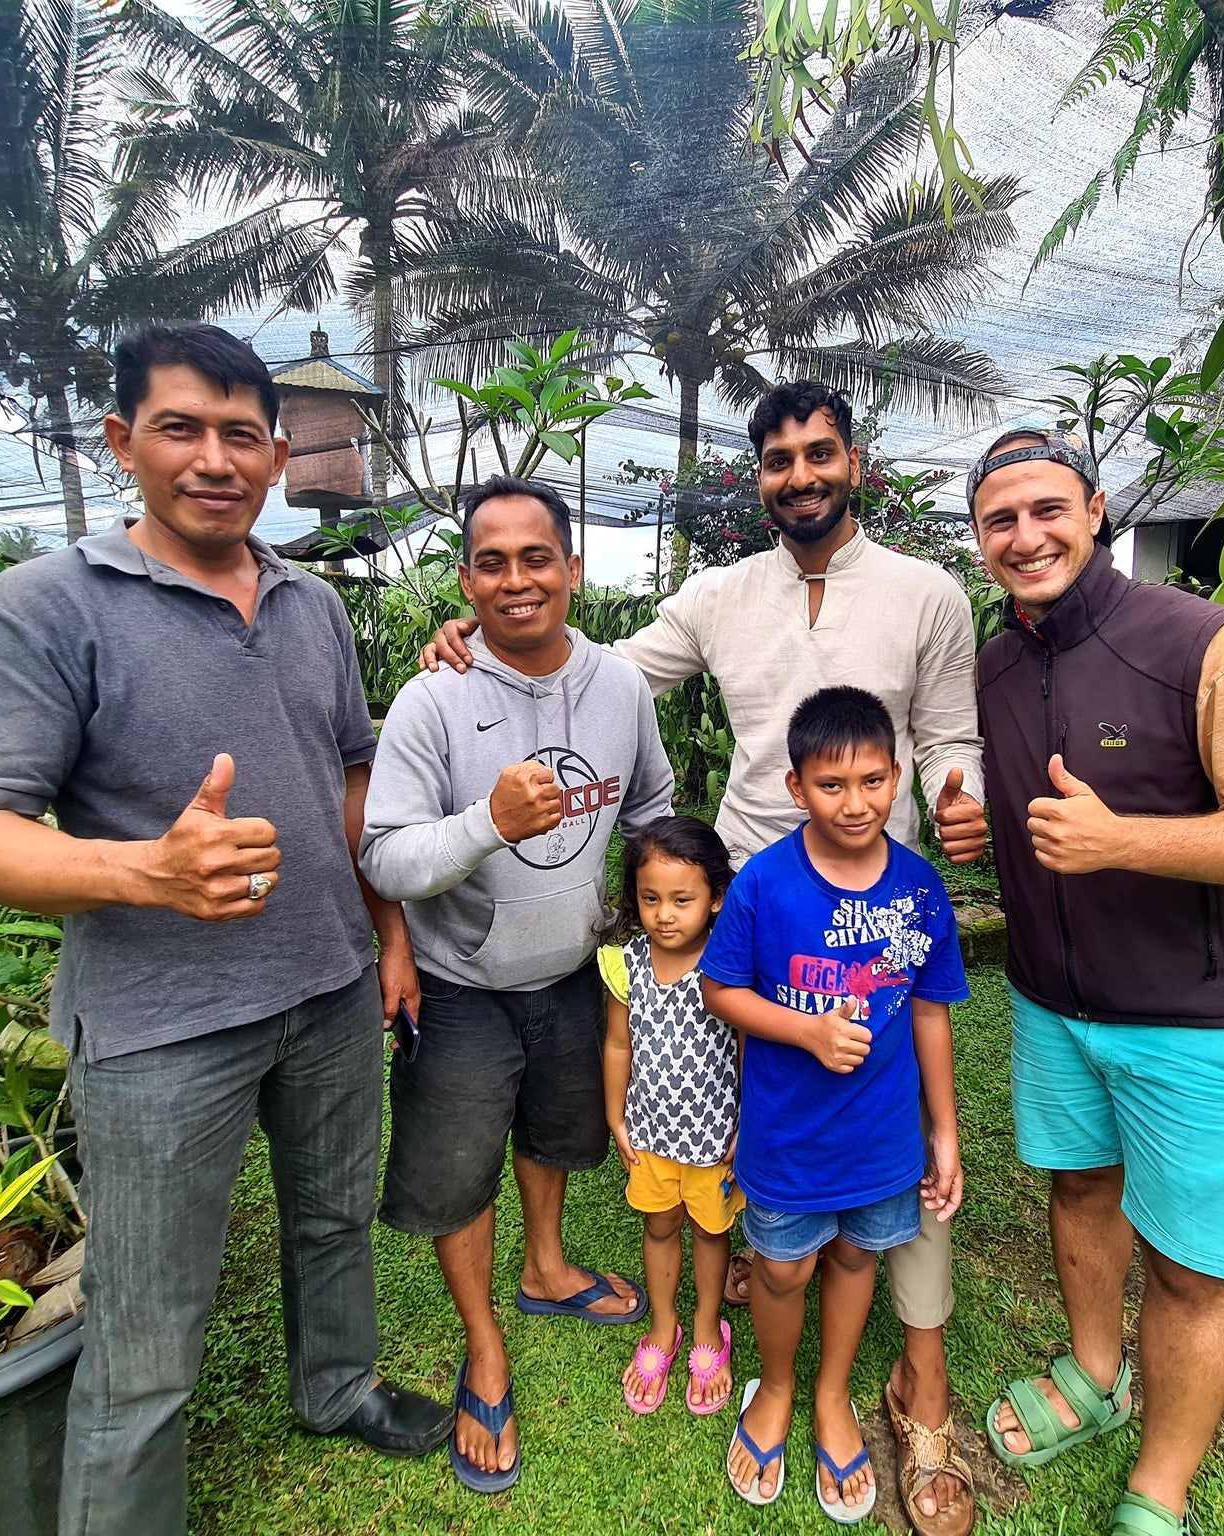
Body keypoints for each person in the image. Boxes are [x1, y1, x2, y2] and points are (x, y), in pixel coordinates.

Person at [427, 382, 987, 1535]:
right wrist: (479, 641)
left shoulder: (925, 593)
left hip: (878, 904)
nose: (799, 475)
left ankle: (911, 1360)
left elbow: (945, 730)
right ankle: (751, 1253)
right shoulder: (721, 595)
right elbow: (597, 669)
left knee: (880, 1093)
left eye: (818, 453)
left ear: (854, 463)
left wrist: (949, 791)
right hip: (751, 883)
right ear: (757, 477)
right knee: (757, 1084)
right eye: (777, 459)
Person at [0, 324, 450, 1536]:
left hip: (324, 988)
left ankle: (335, 1390)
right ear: (123, 442)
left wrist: (386, 937)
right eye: (179, 429)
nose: (212, 460)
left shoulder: (312, 603)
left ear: (275, 457)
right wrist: (145, 870)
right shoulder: (46, 606)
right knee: (151, 1314)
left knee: (331, 1221)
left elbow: (351, 781)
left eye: (237, 436)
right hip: (162, 1023)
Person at [961, 429, 1224, 1536]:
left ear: (1094, 509)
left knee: (1188, 1269)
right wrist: (980, 831)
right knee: (1078, 1190)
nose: (1025, 537)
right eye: (999, 519)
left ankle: (1158, 1488)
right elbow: (1045, 825)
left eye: (1045, 510)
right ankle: (1093, 1368)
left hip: (1189, 1018)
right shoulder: (999, 664)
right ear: (980, 540)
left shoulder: (1199, 644)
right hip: (1048, 1005)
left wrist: (1120, 841)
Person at [358, 475, 676, 1493]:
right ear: (465, 580)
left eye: (535, 557)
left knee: (554, 1134)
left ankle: (545, 1269)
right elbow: (387, 859)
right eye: (489, 562)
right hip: (459, 984)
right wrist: (489, 821)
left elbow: (652, 804)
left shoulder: (620, 686)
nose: (514, 579)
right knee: (457, 1168)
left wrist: (650, 909)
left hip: (574, 973)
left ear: (573, 570)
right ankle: (482, 1342)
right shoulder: (432, 697)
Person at [700, 687, 968, 1523]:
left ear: (899, 779)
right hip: (788, 1137)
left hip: (881, 1139)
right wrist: (809, 1033)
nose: (855, 804)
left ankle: (831, 1394)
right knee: (783, 1267)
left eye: (873, 781)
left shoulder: (920, 890)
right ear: (795, 787)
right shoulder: (763, 885)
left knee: (857, 1257)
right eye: (830, 785)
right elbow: (719, 989)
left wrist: (946, 1130)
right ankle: (775, 1387)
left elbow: (929, 1010)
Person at [598, 815, 742, 1417]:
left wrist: (746, 1124)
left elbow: (746, 1047)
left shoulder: (730, 966)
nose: (664, 914)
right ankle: (665, 1325)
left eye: (682, 899)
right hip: (651, 1135)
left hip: (714, 1137)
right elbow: (617, 1044)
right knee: (659, 1228)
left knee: (711, 1232)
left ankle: (708, 1325)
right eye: (650, 898)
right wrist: (615, 1115)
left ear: (714, 900)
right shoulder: (624, 965)